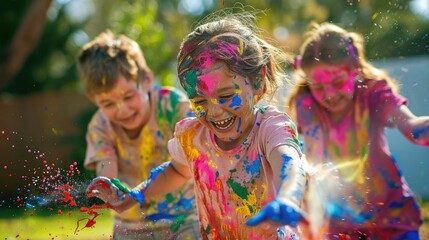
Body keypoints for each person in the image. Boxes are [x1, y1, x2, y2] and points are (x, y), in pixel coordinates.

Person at [86, 11, 310, 239]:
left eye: (225, 95)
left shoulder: (269, 128)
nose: (214, 111)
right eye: (200, 101)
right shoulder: (194, 136)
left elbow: (290, 164)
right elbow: (175, 171)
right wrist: (136, 194)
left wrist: (287, 199)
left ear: (258, 82)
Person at [286, 22, 429, 239]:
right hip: (339, 223)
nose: (329, 94)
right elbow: (315, 160)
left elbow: (412, 128)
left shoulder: (373, 93)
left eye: (337, 82)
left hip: (393, 216)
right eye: (318, 86)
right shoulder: (307, 104)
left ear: (355, 69)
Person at [76, 31, 200, 239]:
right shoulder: (100, 125)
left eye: (128, 96)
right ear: (93, 100)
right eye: (107, 104)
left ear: (146, 80)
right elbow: (107, 167)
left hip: (184, 219)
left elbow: (190, 163)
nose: (121, 109)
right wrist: (109, 186)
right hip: (130, 227)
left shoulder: (173, 107)